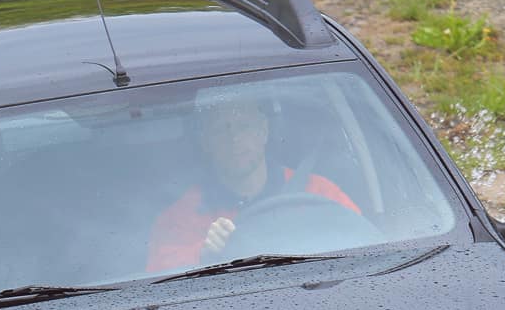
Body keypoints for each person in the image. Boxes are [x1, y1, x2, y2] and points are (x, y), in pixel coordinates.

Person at [146, 92, 359, 272]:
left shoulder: (317, 192)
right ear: (206, 142)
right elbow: (159, 278)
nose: (234, 138)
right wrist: (203, 253)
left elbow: (361, 242)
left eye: (244, 126)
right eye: (221, 129)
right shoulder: (184, 215)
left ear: (263, 132)